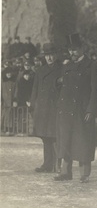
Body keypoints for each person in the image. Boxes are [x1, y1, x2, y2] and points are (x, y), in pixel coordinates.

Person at [54, 33, 97, 183]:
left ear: (82, 49)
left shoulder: (92, 65)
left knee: (83, 142)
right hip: (66, 110)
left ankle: (84, 174)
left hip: (82, 111)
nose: (72, 53)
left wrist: (91, 110)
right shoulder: (67, 65)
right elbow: (61, 87)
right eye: (70, 50)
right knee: (66, 141)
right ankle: (65, 172)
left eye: (74, 50)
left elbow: (96, 90)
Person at [30, 43, 62, 173]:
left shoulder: (62, 69)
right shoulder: (40, 70)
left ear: (56, 56)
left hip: (55, 107)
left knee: (54, 136)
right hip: (42, 108)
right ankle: (47, 164)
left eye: (52, 55)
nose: (49, 58)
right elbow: (35, 89)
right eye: (47, 55)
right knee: (45, 137)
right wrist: (33, 105)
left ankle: (57, 165)